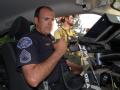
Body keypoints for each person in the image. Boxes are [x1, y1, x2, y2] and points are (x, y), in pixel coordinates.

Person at [16, 6, 68, 90]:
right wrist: (59, 52)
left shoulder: (50, 38)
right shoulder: (28, 40)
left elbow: (58, 62)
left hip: (64, 82)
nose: (50, 24)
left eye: (52, 20)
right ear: (36, 21)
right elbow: (33, 79)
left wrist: (79, 68)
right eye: (46, 19)